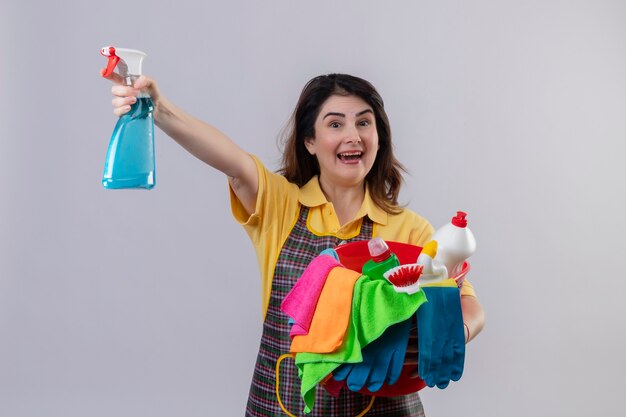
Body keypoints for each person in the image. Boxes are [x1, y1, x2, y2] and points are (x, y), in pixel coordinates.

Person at [103, 71, 485, 416]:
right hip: (282, 404)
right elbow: (233, 162)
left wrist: (453, 329)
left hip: (384, 407)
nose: (353, 135)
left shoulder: (410, 230)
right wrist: (160, 108)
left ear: (378, 137)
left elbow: (468, 303)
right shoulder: (280, 205)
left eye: (364, 123)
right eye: (335, 124)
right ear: (310, 142)